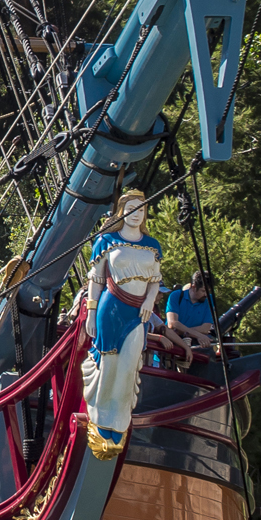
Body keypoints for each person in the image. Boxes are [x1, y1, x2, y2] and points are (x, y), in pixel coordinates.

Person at [82, 189, 165, 457]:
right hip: (112, 306)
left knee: (129, 364)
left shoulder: (152, 246)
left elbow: (155, 282)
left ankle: (119, 416)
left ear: (145, 214)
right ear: (121, 212)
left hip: (137, 311)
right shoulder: (106, 241)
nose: (135, 213)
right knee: (109, 361)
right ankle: (100, 413)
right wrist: (92, 313)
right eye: (130, 208)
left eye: (140, 209)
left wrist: (150, 301)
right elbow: (96, 280)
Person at [160, 268, 220, 364]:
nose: (206, 295)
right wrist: (198, 335)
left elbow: (205, 328)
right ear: (193, 286)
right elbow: (172, 323)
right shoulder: (176, 296)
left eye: (208, 292)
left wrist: (184, 332)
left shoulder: (209, 300)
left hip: (194, 344)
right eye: (203, 291)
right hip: (172, 343)